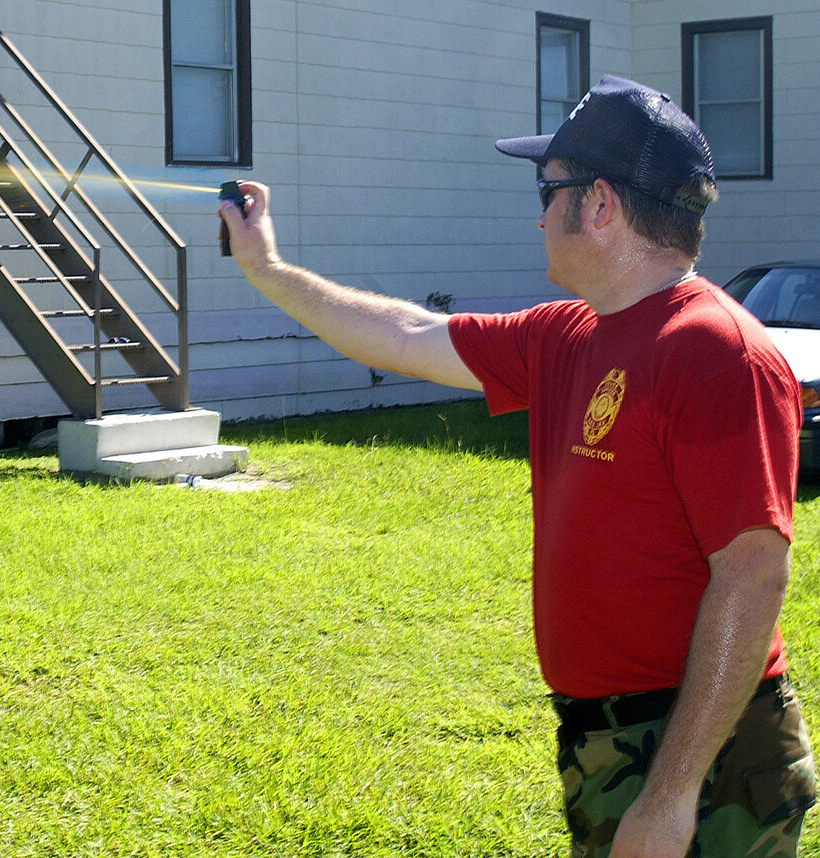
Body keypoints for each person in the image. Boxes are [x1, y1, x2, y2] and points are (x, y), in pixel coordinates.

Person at [219, 74, 814, 857]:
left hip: (701, 753)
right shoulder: (567, 334)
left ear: (598, 204)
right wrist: (268, 270)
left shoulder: (716, 354)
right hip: (614, 740)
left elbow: (752, 577)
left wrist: (668, 798)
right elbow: (404, 334)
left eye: (548, 189)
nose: (538, 216)